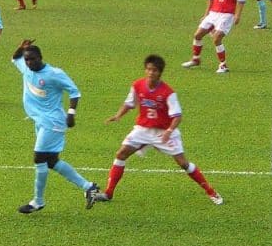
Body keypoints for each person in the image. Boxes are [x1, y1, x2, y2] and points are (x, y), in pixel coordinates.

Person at [92, 55, 223, 205]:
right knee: (121, 154)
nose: (150, 73)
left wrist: (169, 131)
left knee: (183, 163)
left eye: (154, 70)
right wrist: (118, 115)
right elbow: (129, 103)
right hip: (143, 130)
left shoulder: (168, 93)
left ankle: (211, 192)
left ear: (160, 72)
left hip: (164, 131)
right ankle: (108, 193)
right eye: (148, 69)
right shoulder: (138, 85)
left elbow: (177, 116)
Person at [12, 40, 99, 214]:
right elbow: (15, 58)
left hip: (53, 122)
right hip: (40, 122)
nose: (29, 63)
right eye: (27, 59)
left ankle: (38, 201)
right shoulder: (26, 69)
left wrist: (71, 113)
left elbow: (74, 92)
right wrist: (21, 48)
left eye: (33, 59)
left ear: (41, 58)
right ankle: (89, 187)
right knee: (51, 161)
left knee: (38, 158)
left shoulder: (54, 74)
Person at [182, 0, 245, 73]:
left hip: (226, 15)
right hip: (213, 14)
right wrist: (206, 14)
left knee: (216, 39)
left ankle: (223, 65)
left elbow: (241, 0)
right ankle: (196, 59)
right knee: (197, 35)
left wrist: (237, 15)